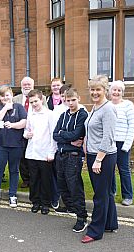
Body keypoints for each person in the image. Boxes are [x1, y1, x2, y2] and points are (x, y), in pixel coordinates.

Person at [82, 75, 118, 244]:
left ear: (105, 90)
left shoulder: (108, 109)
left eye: (98, 89)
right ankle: (110, 223)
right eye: (92, 89)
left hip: (103, 157)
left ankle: (96, 231)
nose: (95, 92)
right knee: (106, 192)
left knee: (100, 195)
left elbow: (108, 137)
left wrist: (98, 160)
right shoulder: (96, 107)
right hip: (94, 154)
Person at [0, 85, 27, 208]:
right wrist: (5, 108)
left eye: (7, 95)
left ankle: (13, 195)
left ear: (12, 95)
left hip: (16, 145)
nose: (5, 98)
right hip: (1, 145)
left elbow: (24, 122)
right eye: (2, 96)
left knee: (14, 170)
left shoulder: (19, 107)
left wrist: (12, 125)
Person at [53, 87, 88, 232]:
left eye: (73, 100)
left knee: (74, 186)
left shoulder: (82, 114)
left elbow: (76, 134)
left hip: (73, 156)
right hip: (61, 154)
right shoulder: (63, 115)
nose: (71, 103)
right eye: (68, 100)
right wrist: (66, 137)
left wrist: (64, 136)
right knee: (62, 184)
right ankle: (70, 207)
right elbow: (55, 134)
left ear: (78, 98)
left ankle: (82, 217)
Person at [24, 89, 58, 215]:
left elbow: (53, 135)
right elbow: (26, 131)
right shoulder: (30, 114)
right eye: (31, 102)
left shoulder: (49, 114)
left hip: (45, 153)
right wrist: (27, 134)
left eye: (36, 101)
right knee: (34, 179)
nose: (34, 104)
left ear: (41, 100)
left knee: (45, 180)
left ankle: (45, 203)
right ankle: (35, 202)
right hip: (32, 152)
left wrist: (51, 152)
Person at [12, 77, 46, 188]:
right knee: (22, 157)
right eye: (24, 85)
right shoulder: (15, 99)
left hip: (36, 133)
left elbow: (44, 114)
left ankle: (36, 178)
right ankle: (26, 179)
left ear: (33, 85)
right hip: (19, 132)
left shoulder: (43, 98)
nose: (26, 86)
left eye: (29, 84)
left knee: (35, 157)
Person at [110, 80, 134, 206]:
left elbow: (132, 126)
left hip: (122, 143)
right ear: (110, 91)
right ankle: (112, 191)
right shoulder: (107, 105)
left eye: (119, 90)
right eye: (114, 89)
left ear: (122, 92)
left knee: (123, 170)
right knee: (109, 169)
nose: (116, 92)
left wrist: (127, 145)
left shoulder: (128, 105)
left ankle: (127, 196)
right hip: (109, 143)